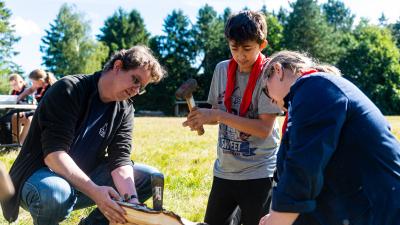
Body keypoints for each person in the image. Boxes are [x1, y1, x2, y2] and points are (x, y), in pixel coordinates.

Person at [1, 45, 167, 225]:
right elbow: (54, 156)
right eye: (135, 80)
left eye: (141, 87)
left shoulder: (124, 109)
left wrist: (132, 203)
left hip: (84, 174)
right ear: (117, 66)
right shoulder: (69, 89)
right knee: (55, 194)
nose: (136, 90)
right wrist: (95, 191)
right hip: (39, 176)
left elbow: (120, 160)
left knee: (148, 178)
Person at [258, 50, 400, 225]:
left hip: (382, 212)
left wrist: (278, 220)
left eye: (266, 90)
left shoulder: (313, 86)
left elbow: (304, 167)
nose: (271, 100)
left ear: (277, 70)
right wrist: (277, 215)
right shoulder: (314, 92)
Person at [183, 10, 282, 225]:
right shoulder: (222, 69)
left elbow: (264, 129)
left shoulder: (270, 75)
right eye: (234, 48)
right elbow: (218, 112)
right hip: (225, 170)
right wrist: (202, 118)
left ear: (262, 44)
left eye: (247, 48)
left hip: (259, 172)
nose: (240, 55)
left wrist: (217, 115)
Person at [10, 69, 57, 145]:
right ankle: (15, 142)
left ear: (40, 81)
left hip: (48, 112)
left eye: (33, 82)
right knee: (16, 116)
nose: (32, 84)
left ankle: (21, 145)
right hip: (37, 110)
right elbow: (30, 90)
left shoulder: (51, 87)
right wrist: (19, 98)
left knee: (30, 119)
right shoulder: (38, 86)